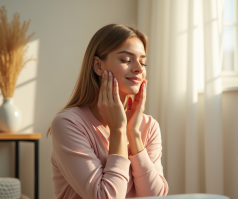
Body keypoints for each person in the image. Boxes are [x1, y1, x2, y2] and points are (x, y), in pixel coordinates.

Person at [47, 24, 169, 199]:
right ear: (98, 65)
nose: (139, 68)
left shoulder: (148, 127)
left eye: (143, 62)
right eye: (126, 60)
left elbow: (155, 197)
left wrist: (133, 133)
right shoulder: (68, 123)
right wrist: (119, 130)